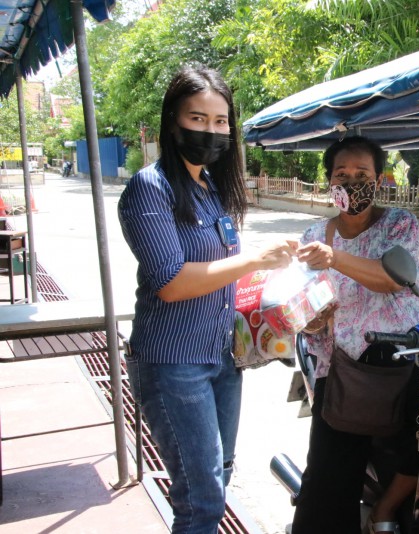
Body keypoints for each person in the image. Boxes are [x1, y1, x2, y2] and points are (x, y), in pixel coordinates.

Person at [118, 65, 297, 533]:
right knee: (201, 502)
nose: (210, 131)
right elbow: (172, 282)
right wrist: (254, 259)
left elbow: (223, 275)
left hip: (222, 357)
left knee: (220, 476)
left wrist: (279, 297)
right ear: (173, 120)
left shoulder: (210, 187)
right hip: (174, 363)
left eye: (220, 121)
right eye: (197, 118)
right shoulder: (149, 188)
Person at [292, 136, 419, 534]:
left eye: (362, 174)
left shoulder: (399, 223)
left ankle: (385, 510)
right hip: (340, 373)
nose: (351, 182)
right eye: (341, 174)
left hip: (400, 365)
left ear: (379, 179)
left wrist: (335, 258)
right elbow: (304, 307)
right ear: (329, 181)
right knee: (326, 485)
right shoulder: (314, 235)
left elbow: (391, 278)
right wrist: (313, 320)